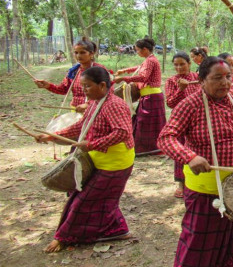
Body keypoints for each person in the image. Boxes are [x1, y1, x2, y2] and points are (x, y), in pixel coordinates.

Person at [157, 56, 233, 267]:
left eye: (227, 77)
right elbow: (165, 138)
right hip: (205, 188)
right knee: (200, 238)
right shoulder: (191, 104)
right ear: (201, 80)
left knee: (232, 235)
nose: (225, 83)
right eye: (217, 78)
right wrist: (189, 156)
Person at [36, 67, 135, 253]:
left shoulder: (114, 104)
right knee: (101, 197)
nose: (84, 91)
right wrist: (52, 135)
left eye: (87, 87)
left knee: (83, 201)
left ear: (103, 85)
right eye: (82, 86)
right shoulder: (95, 102)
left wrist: (92, 144)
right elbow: (81, 126)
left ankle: (65, 236)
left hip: (116, 162)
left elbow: (122, 132)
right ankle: (118, 229)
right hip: (99, 158)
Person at [114, 38, 166, 155]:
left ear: (145, 49)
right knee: (144, 122)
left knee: (145, 123)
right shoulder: (148, 60)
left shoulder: (150, 61)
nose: (137, 52)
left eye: (137, 50)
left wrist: (124, 79)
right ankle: (147, 148)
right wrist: (124, 70)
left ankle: (148, 149)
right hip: (149, 96)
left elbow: (143, 77)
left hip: (152, 97)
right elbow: (139, 67)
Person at [34, 37, 108, 113]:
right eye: (76, 53)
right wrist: (48, 86)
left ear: (91, 53)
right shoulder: (73, 71)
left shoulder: (99, 70)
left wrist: (88, 104)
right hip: (75, 110)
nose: (78, 56)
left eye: (82, 52)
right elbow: (64, 89)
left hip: (94, 110)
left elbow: (108, 92)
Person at [165, 52, 201, 198]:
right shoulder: (171, 81)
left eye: (182, 64)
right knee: (181, 153)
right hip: (180, 122)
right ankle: (181, 183)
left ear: (189, 64)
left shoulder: (197, 78)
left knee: (195, 150)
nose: (179, 67)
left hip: (199, 120)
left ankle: (197, 180)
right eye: (176, 65)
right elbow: (170, 103)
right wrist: (181, 90)